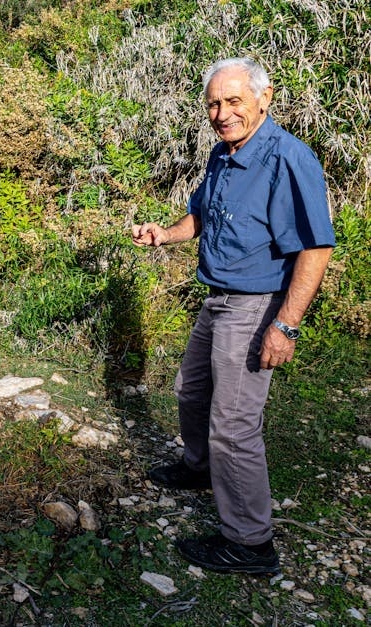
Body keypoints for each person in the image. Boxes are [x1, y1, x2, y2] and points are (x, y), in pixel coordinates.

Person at [131, 57, 336, 575]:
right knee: (191, 390)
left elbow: (315, 248)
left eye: (234, 101)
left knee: (234, 425)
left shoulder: (289, 159)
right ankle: (200, 469)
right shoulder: (223, 154)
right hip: (218, 298)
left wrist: (285, 324)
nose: (222, 113)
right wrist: (166, 234)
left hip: (257, 304)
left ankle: (250, 543)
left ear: (264, 99)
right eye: (214, 104)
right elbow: (200, 213)